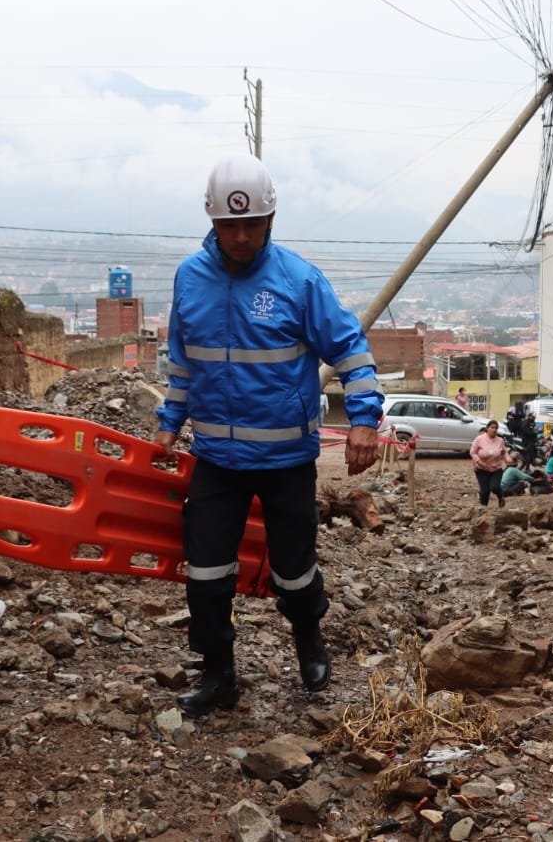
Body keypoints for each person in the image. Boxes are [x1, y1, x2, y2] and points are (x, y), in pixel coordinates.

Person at [155, 153, 383, 717]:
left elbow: (352, 352)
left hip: (285, 461)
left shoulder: (299, 281)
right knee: (206, 574)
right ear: (211, 222)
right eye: (228, 225)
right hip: (216, 461)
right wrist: (166, 425)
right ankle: (218, 674)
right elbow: (183, 363)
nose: (239, 236)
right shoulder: (190, 277)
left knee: (293, 571)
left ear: (270, 220)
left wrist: (361, 421)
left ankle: (309, 636)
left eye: (250, 224)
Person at [470, 419, 511, 508]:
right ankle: (483, 510)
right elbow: (472, 452)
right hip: (481, 469)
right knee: (485, 491)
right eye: (492, 427)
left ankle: (501, 497)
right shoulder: (479, 439)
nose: (494, 430)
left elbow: (504, 452)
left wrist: (508, 459)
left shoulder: (500, 440)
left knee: (495, 487)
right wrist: (479, 461)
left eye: (496, 428)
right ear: (487, 428)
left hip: (496, 469)